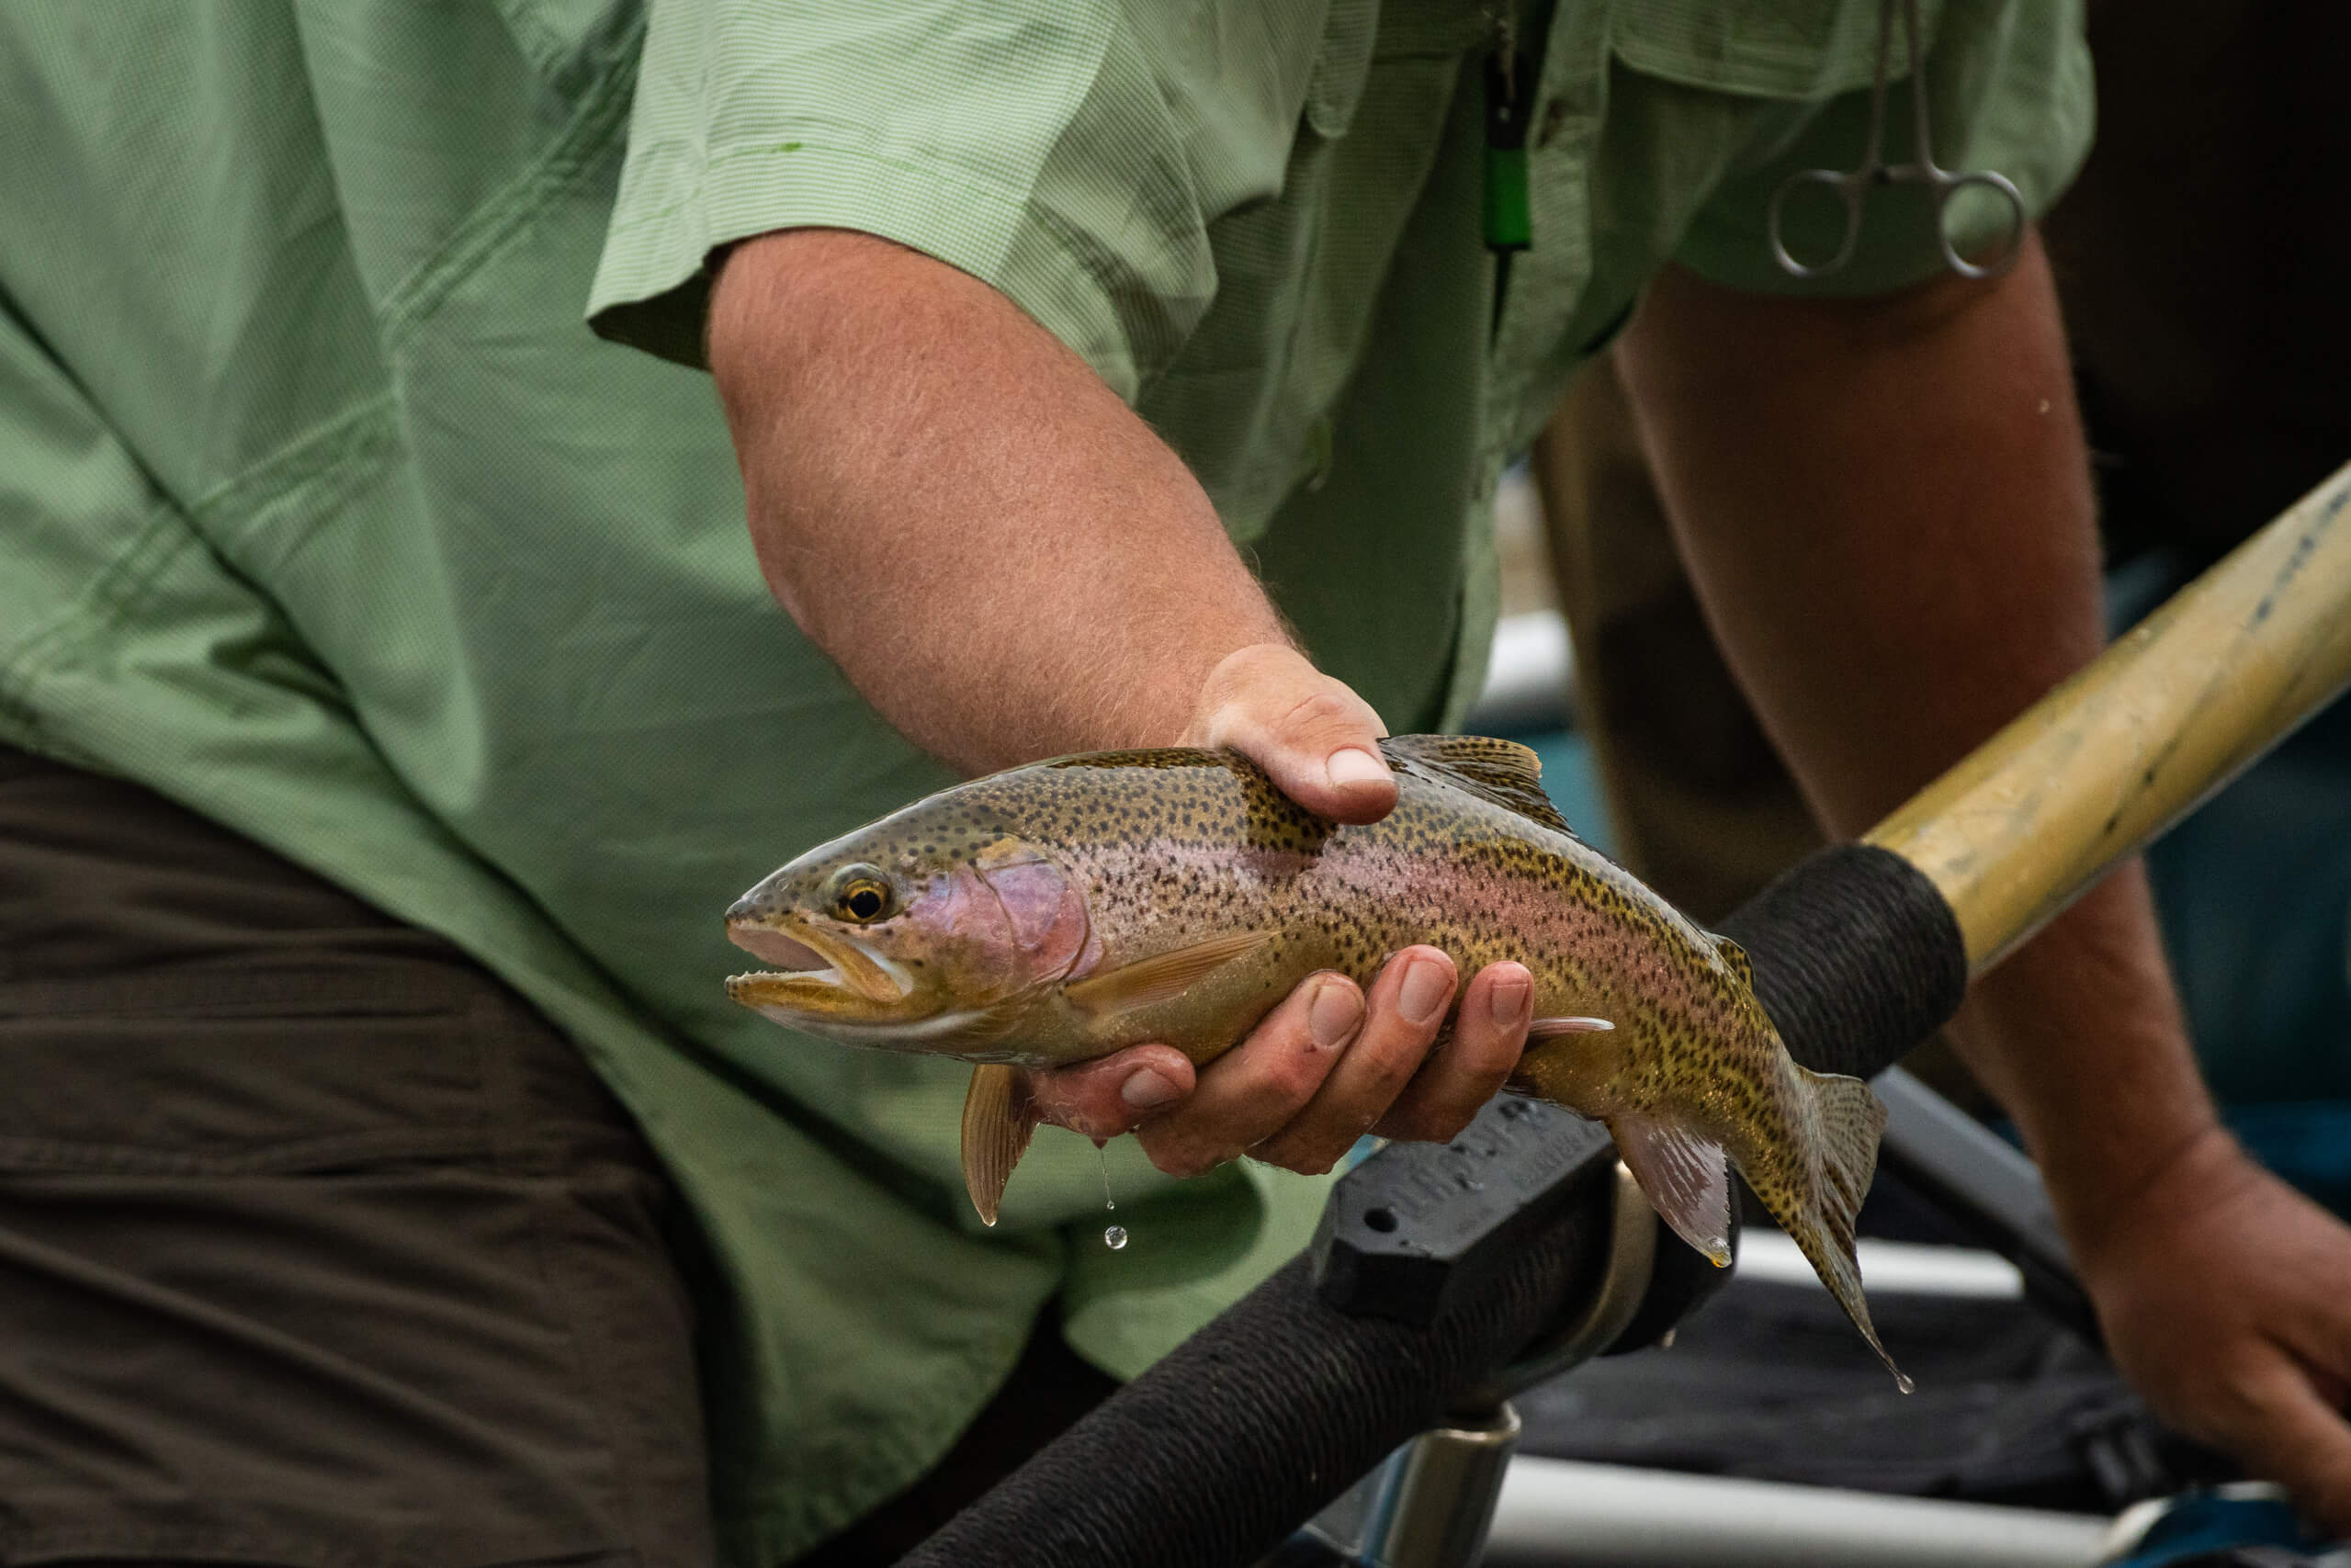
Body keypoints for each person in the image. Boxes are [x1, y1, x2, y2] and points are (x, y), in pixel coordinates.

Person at [3, 6, 2347, 1568]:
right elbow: (866, 324)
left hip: (1006, 1150)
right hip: (211, 720)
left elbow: (1862, 297)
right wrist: (1237, 740)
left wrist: (2137, 1173)